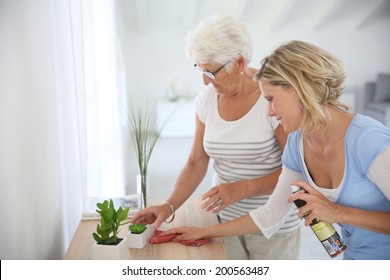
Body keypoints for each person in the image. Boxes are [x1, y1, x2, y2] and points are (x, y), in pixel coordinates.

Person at [162, 40, 390, 260]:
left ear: (299, 89)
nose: (270, 112)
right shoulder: (298, 145)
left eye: (271, 99)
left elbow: (334, 212)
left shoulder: (367, 140)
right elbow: (271, 214)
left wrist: (335, 212)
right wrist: (203, 231)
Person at [132, 15, 301, 259]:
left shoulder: (271, 99)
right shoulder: (207, 100)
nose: (205, 80)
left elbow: (295, 171)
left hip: (273, 226)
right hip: (224, 221)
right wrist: (169, 205)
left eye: (211, 72)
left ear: (240, 62)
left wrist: (243, 189)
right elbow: (195, 162)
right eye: (201, 70)